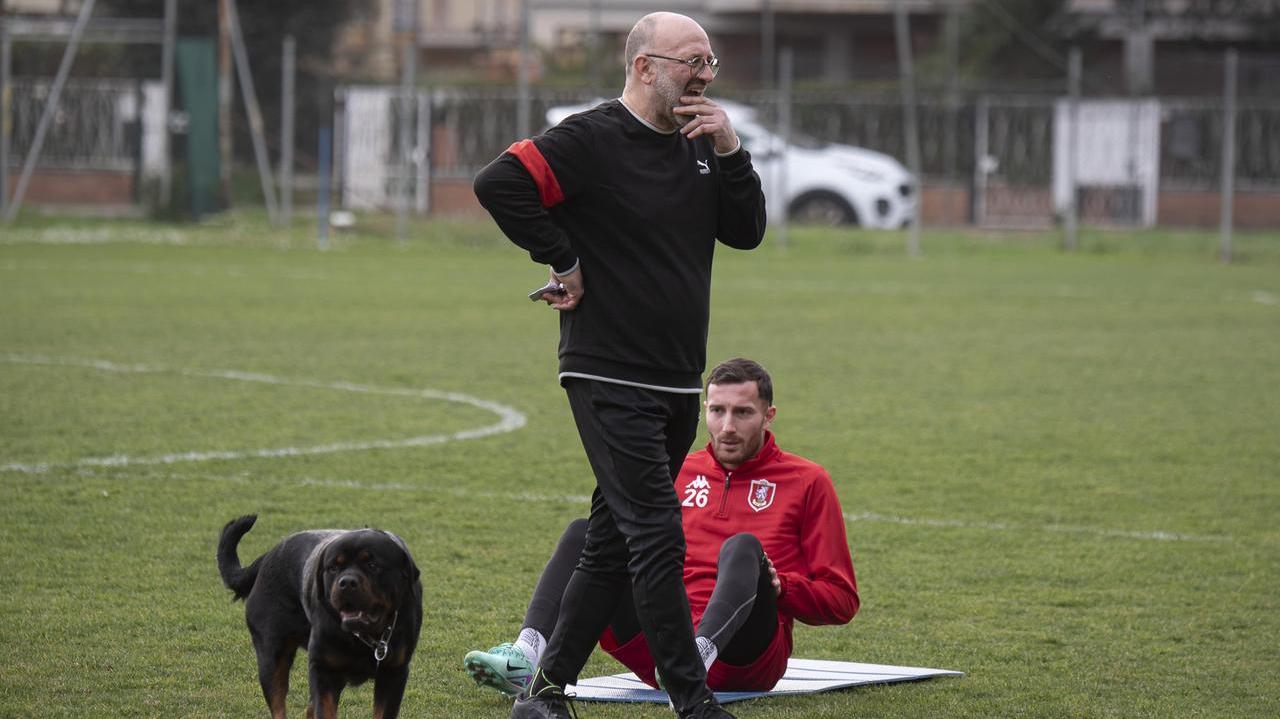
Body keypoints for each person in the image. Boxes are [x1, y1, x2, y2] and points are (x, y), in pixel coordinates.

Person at [473, 9, 767, 719]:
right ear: (644, 67)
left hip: (674, 377)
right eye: (689, 61)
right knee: (656, 530)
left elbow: (748, 230)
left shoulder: (701, 144)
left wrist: (731, 150)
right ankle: (693, 703)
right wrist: (564, 259)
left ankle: (543, 696)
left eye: (709, 63)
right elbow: (498, 183)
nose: (702, 75)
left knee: (609, 539)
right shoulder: (593, 137)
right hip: (607, 372)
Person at [464, 359, 859, 704]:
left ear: (769, 415)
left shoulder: (807, 481)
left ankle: (693, 665)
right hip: (660, 645)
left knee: (743, 548)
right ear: (704, 409)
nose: (727, 427)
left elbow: (841, 600)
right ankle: (525, 654)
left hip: (745, 655)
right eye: (717, 411)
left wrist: (781, 588)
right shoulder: (677, 468)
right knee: (588, 533)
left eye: (743, 413)